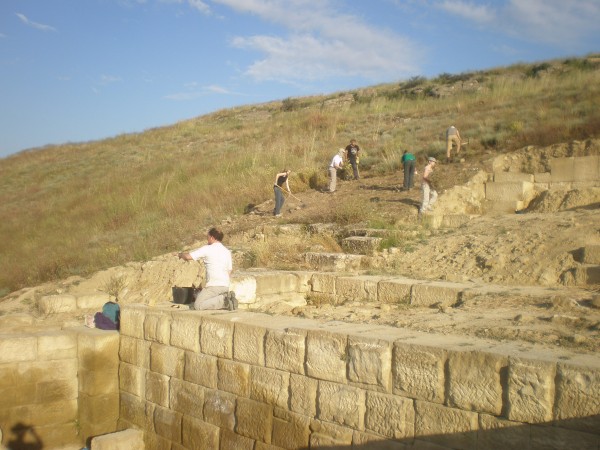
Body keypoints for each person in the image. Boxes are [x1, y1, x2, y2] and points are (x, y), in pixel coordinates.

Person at [176, 227, 237, 310]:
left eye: (207, 237)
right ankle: (225, 297)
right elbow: (229, 270)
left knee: (198, 305)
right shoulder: (227, 251)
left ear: (212, 237)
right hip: (225, 286)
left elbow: (188, 257)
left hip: (213, 286)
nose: (207, 239)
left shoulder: (207, 248)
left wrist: (179, 254)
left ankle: (224, 301)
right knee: (204, 298)